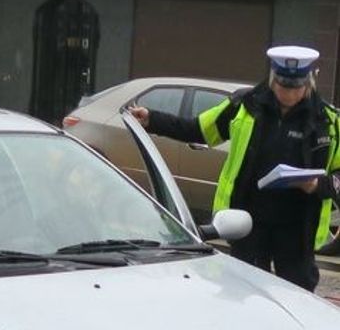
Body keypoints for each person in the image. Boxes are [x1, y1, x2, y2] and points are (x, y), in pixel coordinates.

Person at [129, 45, 340, 291]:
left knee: (298, 300)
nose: (288, 94)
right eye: (283, 86)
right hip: (248, 223)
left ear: (309, 82)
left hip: (298, 230)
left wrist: (318, 185)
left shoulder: (328, 121)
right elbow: (198, 129)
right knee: (242, 293)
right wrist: (152, 120)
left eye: (296, 88)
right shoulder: (245, 105)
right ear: (273, 79)